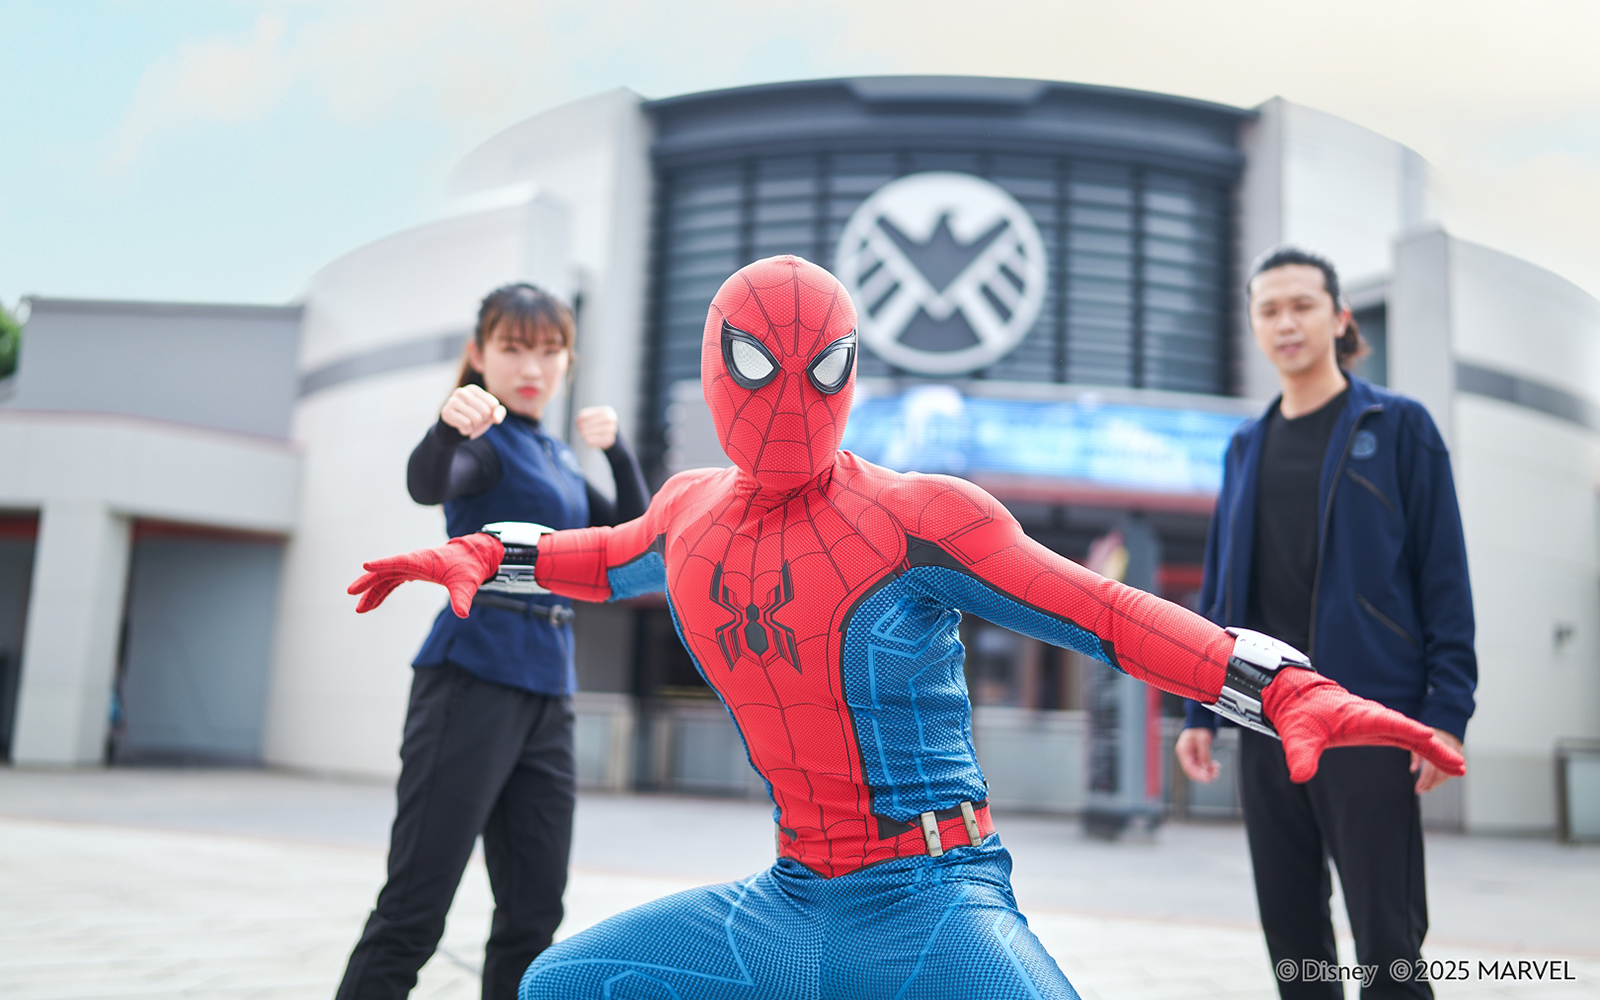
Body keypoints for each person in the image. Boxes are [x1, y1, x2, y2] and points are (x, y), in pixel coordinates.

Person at [349, 256, 1464, 1000]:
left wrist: (1278, 687)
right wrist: (479, 553)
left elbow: (1103, 612)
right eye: (759, 368)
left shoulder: (917, 515)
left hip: (939, 902)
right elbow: (590, 558)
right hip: (786, 898)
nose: (786, 398)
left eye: (815, 370)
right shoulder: (689, 511)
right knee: (558, 984)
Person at [1175, 247, 1476, 1000]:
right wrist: (1198, 707)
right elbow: (1221, 591)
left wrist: (1447, 711)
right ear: (1253, 323)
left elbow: (1444, 575)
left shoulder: (1398, 427)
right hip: (1266, 717)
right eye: (1269, 309)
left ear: (1339, 319)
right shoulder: (1245, 446)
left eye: (1302, 305)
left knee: (1388, 943)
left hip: (1368, 714)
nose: (1286, 322)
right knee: (1294, 943)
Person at [336, 283, 649, 1000]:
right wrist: (447, 428)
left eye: (549, 350)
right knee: (415, 909)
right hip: (471, 679)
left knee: (534, 916)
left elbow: (630, 545)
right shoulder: (484, 444)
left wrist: (620, 453)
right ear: (480, 355)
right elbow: (430, 482)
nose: (531, 366)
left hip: (548, 690)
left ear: (569, 359)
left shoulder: (558, 457)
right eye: (512, 348)